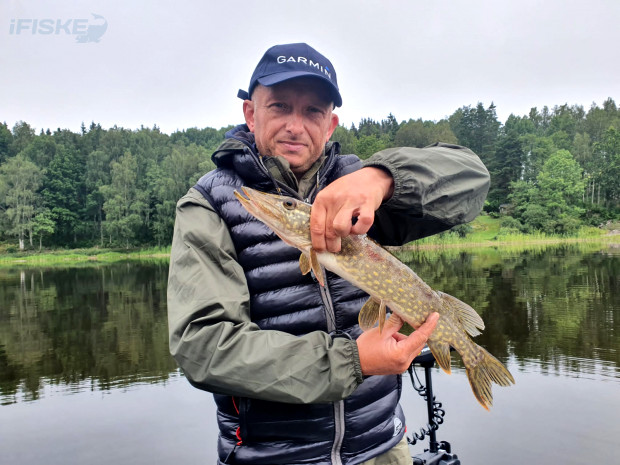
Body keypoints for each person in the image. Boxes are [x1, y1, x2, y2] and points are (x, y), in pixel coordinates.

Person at [167, 43, 490, 465]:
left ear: (330, 123)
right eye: (280, 106)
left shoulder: (359, 185)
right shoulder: (209, 204)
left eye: (313, 111)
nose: (295, 126)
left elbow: (473, 178)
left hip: (382, 446)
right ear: (251, 113)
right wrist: (352, 360)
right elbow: (204, 347)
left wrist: (382, 179)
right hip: (276, 457)